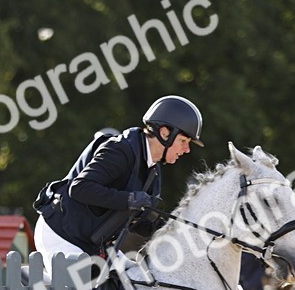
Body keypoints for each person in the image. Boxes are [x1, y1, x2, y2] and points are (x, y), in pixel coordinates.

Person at [33, 95, 203, 265]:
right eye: (183, 141)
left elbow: (138, 222)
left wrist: (174, 229)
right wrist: (129, 199)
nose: (186, 149)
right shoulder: (120, 150)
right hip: (62, 233)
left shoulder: (153, 170)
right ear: (165, 133)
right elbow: (79, 188)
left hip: (94, 244)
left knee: (138, 283)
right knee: (87, 289)